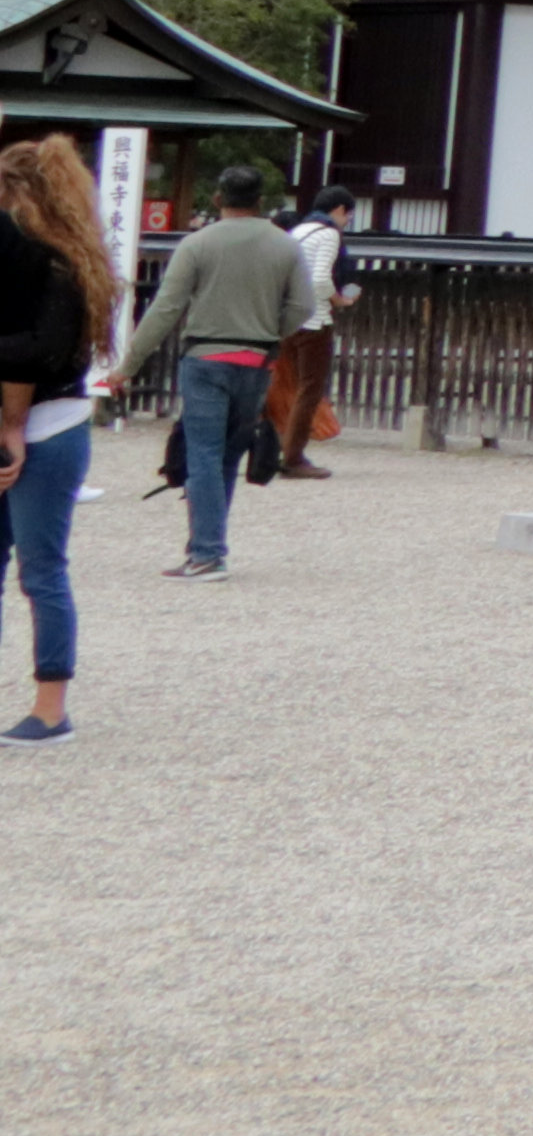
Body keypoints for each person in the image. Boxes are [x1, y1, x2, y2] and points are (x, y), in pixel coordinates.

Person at [107, 162, 307, 582]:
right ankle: (209, 546)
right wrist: (272, 332)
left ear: (218, 198)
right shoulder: (285, 245)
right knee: (229, 455)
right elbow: (304, 306)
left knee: (203, 454)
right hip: (257, 359)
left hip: (206, 358)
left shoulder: (197, 244)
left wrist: (129, 365)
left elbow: (166, 309)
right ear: (261, 201)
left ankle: (207, 552)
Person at [1, 133, 112, 743]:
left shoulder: (56, 264)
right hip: (28, 417)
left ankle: (51, 707)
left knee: (42, 570)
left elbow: (41, 350)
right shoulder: (61, 257)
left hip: (51, 422)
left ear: (22, 193)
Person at [264, 196, 345, 477]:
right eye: (348, 216)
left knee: (285, 385)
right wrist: (338, 299)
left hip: (288, 318)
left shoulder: (297, 232)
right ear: (339, 209)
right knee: (309, 390)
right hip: (315, 319)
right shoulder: (328, 234)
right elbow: (321, 279)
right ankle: (293, 457)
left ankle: (271, 448)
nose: (346, 222)